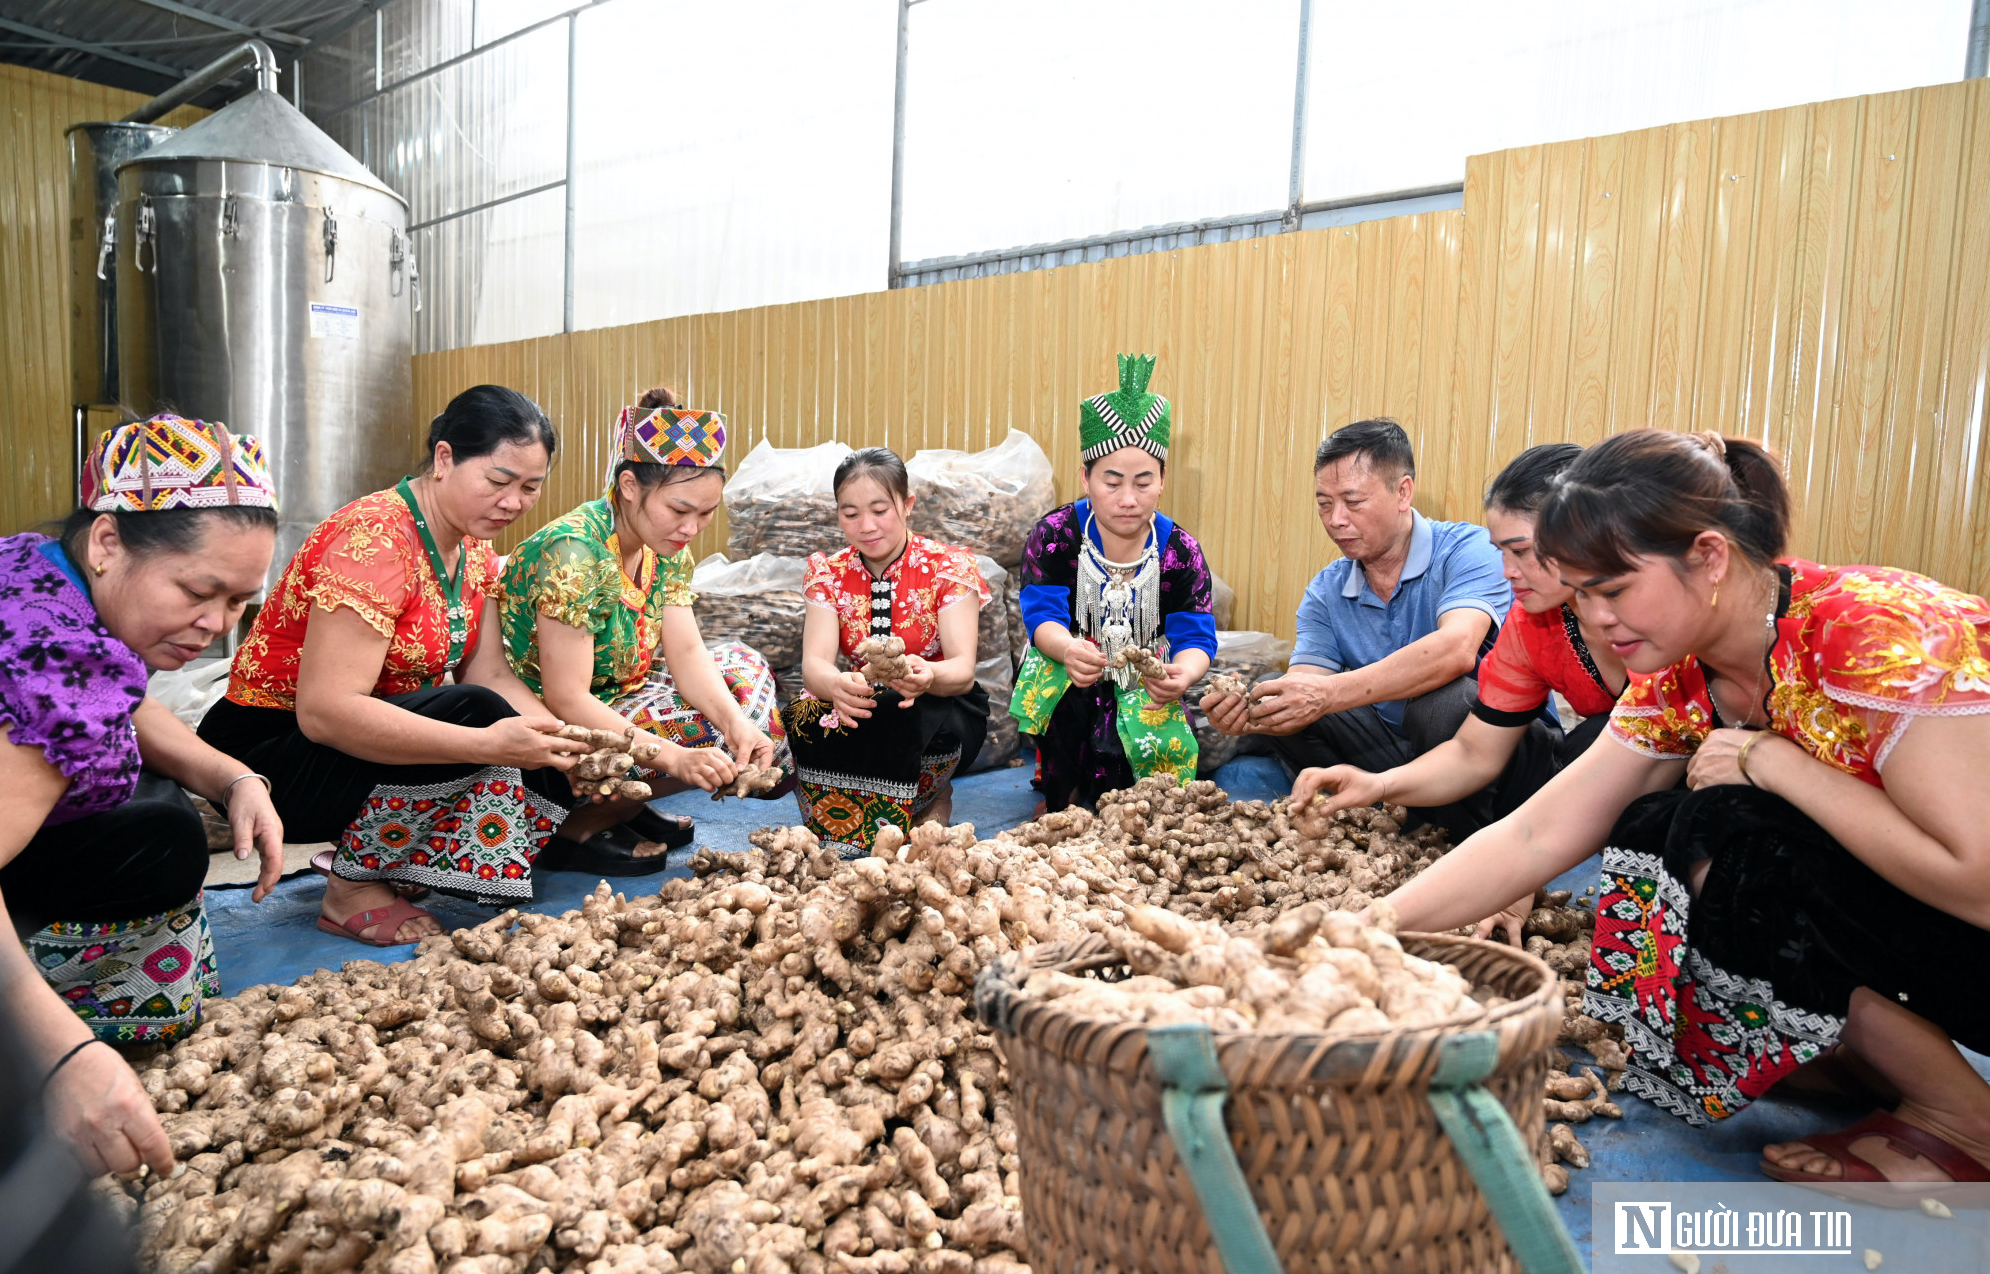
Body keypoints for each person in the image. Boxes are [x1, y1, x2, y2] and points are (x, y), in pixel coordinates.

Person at [1383, 428, 1990, 1188]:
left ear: (1708, 558)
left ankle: (1962, 1120)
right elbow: (1540, 831)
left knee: (1738, 832)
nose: (1597, 618)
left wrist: (1772, 762)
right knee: (1656, 828)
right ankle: (1868, 1059)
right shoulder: (1680, 676)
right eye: (1582, 594)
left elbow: (1980, 882)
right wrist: (1371, 930)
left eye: (1613, 590)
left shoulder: (1872, 633)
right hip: (1913, 925)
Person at [199, 386, 599, 947]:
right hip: (271, 747)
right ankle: (351, 889)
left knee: (528, 751)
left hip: (346, 740)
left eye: (530, 487)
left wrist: (566, 741)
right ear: (443, 459)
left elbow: (490, 674)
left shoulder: (474, 548)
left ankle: (392, 861)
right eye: (498, 481)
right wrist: (490, 744)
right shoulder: (375, 539)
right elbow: (324, 713)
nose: (513, 501)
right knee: (476, 719)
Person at [0, 415, 285, 1178]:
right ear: (107, 543)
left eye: (239, 604)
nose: (216, 627)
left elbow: (122, 699)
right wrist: (64, 1058)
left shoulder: (35, 568)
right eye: (200, 591)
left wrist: (233, 777)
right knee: (165, 837)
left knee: (160, 792)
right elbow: (90, 691)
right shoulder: (59, 663)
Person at [1286, 443, 1627, 887]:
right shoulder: (1531, 625)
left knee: (1594, 741)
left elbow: (1456, 650)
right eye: (1325, 504)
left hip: (1667, 771)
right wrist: (1379, 785)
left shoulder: (1657, 618)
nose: (1507, 572)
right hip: (1427, 749)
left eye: (1521, 551)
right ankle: (1433, 831)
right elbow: (1473, 752)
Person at [495, 387, 786, 873]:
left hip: (617, 696)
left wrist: (739, 723)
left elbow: (688, 652)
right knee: (699, 736)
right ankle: (575, 825)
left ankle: (626, 804)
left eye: (706, 513)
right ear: (629, 486)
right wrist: (674, 758)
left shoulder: (664, 545)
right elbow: (566, 698)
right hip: (548, 713)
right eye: (679, 510)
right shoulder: (575, 551)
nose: (692, 528)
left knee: (747, 681)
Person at [1202, 418, 1514, 833]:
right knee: (1281, 687)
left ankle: (1467, 836)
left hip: (1489, 751)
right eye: (1324, 504)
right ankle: (1379, 818)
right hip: (1389, 751)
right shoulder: (1327, 589)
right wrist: (1250, 713)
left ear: (1403, 492)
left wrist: (1328, 693)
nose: (1336, 520)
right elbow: (1305, 688)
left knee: (1443, 703)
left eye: (1353, 501)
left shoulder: (1469, 549)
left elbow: (1456, 649)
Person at [1013, 353, 1215, 811]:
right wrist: (1067, 649)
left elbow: (1196, 633)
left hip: (1142, 674)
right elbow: (1041, 613)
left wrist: (1183, 673)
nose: (1128, 499)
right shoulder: (1056, 536)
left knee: (1145, 793)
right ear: (1086, 478)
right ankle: (1059, 797)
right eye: (1112, 482)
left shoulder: (1179, 550)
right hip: (1070, 662)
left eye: (1143, 483)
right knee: (1066, 698)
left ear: (1163, 481)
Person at [783, 448, 990, 856]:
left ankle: (932, 797)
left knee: (911, 717)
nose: (866, 526)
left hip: (936, 699)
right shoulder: (829, 573)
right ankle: (846, 822)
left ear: (907, 505)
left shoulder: (949, 567)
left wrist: (928, 676)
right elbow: (815, 665)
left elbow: (963, 670)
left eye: (880, 510)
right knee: (803, 715)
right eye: (851, 513)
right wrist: (837, 685)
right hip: (860, 696)